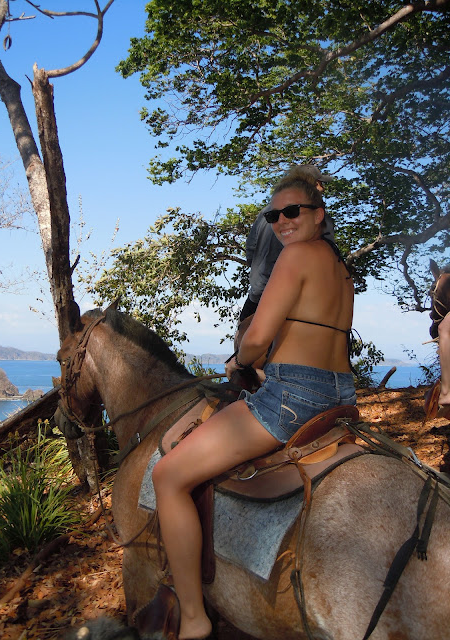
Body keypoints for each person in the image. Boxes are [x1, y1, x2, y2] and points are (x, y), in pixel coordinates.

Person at [151, 173, 356, 640]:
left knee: (168, 476)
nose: (282, 222)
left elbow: (258, 337)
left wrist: (241, 360)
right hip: (340, 393)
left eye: (293, 211)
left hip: (293, 397)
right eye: (273, 215)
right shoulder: (340, 268)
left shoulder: (296, 255)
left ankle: (194, 618)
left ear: (318, 214)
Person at [240, 164, 334, 323]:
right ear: (308, 184)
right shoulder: (319, 218)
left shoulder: (266, 212)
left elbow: (250, 249)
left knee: (243, 332)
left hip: (258, 293)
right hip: (293, 300)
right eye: (319, 183)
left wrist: (261, 275)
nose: (322, 189)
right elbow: (327, 260)